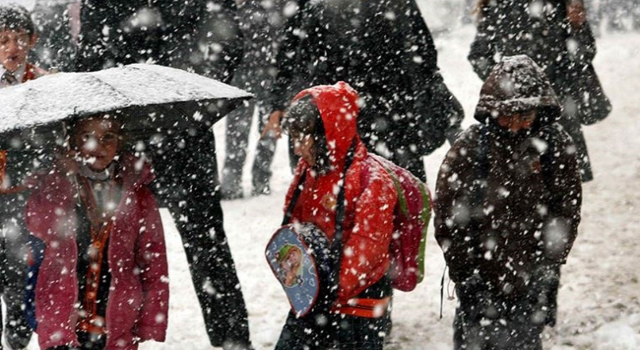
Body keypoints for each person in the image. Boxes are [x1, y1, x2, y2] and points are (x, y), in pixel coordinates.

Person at [76, 2, 253, 348]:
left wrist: (193, 88)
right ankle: (112, 332)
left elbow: (227, 40)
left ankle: (231, 337)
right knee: (116, 245)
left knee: (204, 242)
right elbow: (90, 54)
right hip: (130, 138)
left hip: (176, 130)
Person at [434, 55, 582, 350]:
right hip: (479, 276)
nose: (515, 126)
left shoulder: (554, 145)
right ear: (492, 111)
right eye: (507, 117)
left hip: (530, 277)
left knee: (525, 341)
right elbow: (449, 217)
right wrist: (466, 274)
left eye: (524, 117)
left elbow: (566, 209)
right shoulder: (471, 147)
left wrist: (547, 266)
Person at [262, 0, 463, 182]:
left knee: (367, 199)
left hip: (357, 117)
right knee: (383, 198)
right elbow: (424, 54)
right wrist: (278, 102)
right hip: (369, 115)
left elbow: (423, 53)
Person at [24, 115, 169, 350]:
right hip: (63, 308)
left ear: (120, 142)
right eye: (87, 136)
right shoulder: (58, 183)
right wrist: (61, 179)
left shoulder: (137, 193)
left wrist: (151, 319)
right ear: (72, 142)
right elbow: (39, 224)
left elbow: (154, 258)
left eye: (108, 137)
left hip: (117, 314)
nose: (98, 145)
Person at [275, 82, 397, 349]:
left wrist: (331, 290)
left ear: (326, 134)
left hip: (358, 302)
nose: (296, 149)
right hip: (319, 293)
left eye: (301, 138)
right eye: (292, 139)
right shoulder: (310, 170)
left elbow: (368, 248)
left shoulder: (372, 180)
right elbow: (294, 223)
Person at [469, 0, 608, 182]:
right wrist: (507, 86)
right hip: (517, 115)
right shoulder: (501, 5)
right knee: (520, 185)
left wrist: (578, 26)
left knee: (562, 185)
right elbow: (479, 56)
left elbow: (584, 54)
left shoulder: (561, 5)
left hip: (557, 109)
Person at [0, 4, 48, 348]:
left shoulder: (44, 85)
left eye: (18, 39)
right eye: (2, 41)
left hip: (23, 197)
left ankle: (15, 340)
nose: (12, 48)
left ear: (33, 40)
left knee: (19, 280)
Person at [220, 0, 289, 199]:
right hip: (247, 71)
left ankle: (258, 178)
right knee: (238, 129)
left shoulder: (277, 8)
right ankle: (238, 181)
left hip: (268, 72)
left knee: (266, 127)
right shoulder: (244, 8)